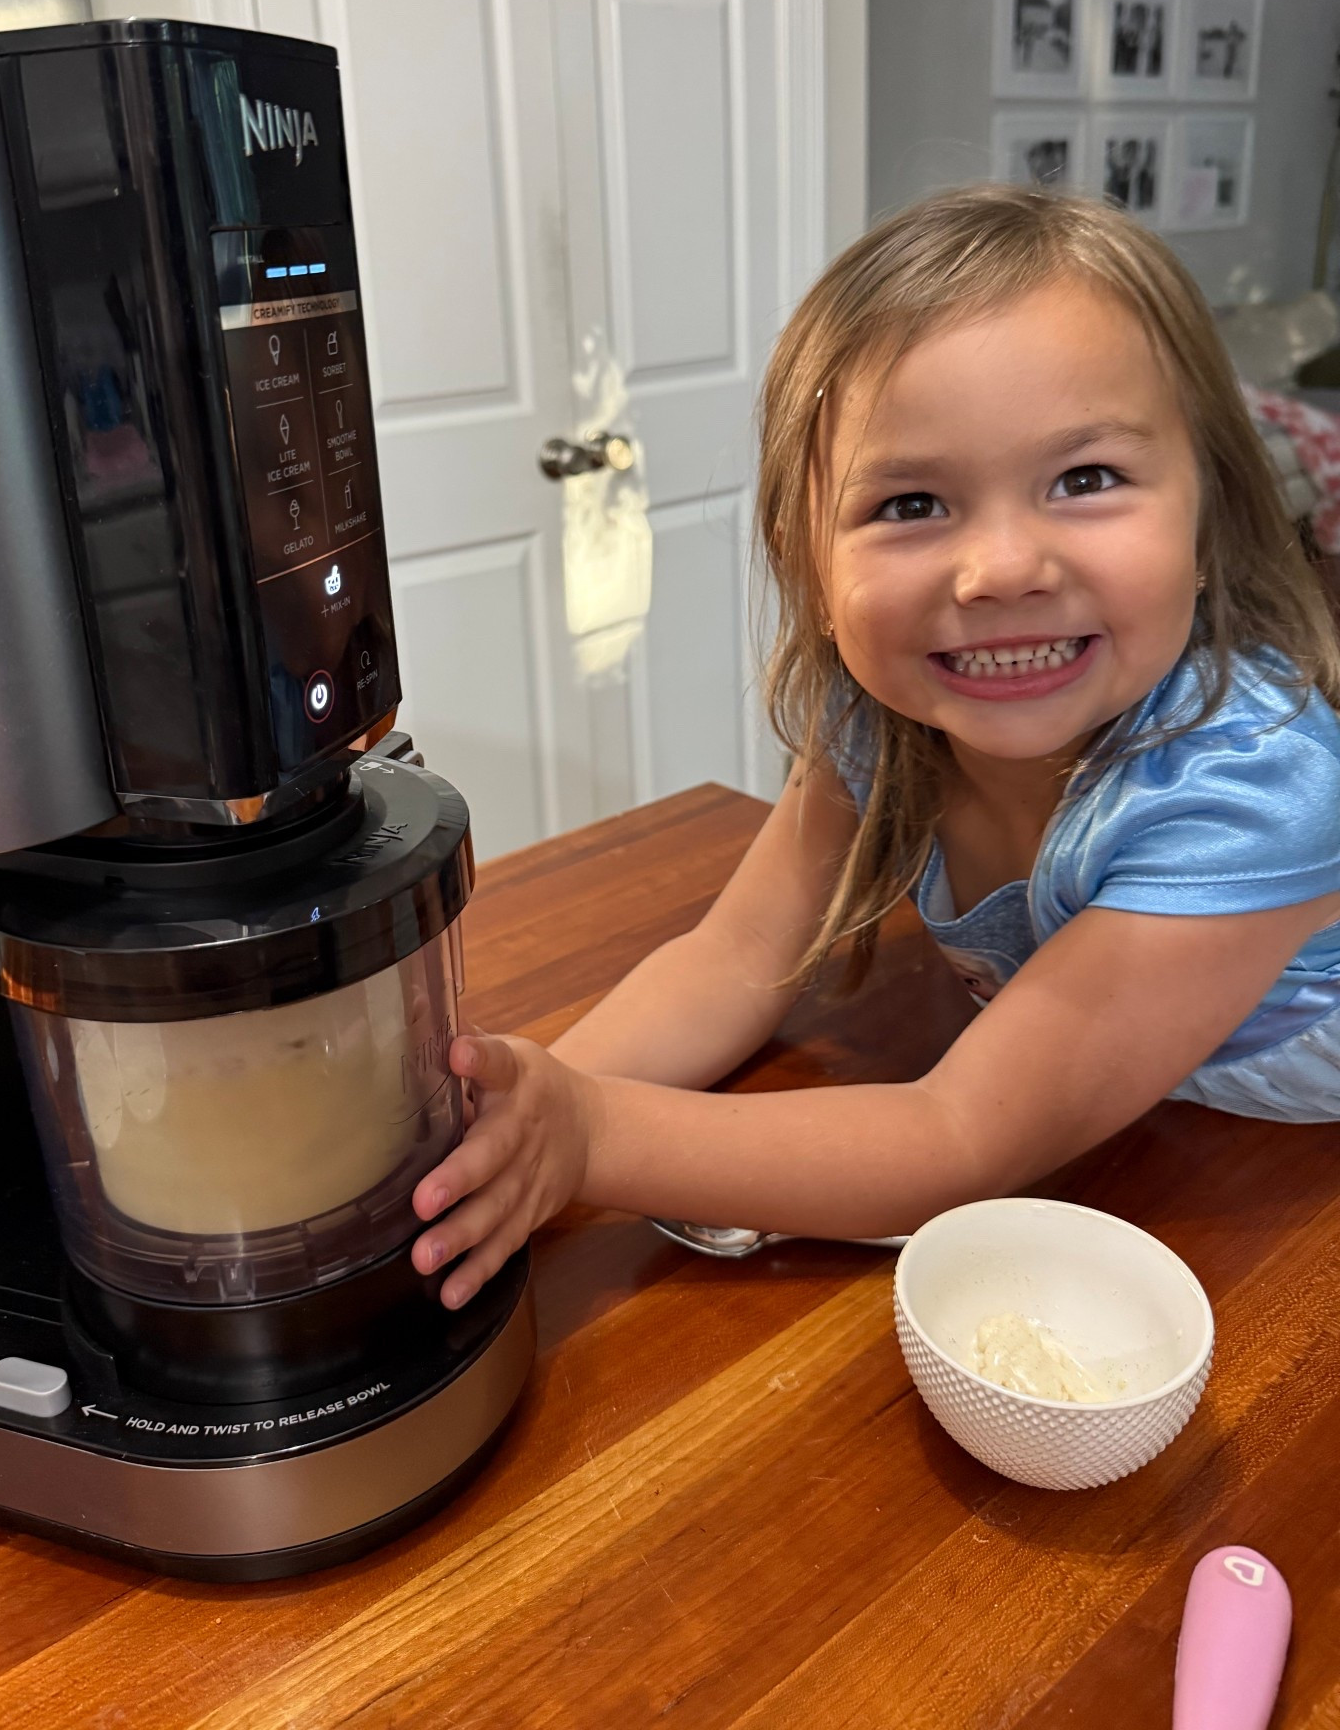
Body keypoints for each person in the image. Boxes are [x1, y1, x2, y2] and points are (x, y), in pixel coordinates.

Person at [410, 186, 1340, 1310]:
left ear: (1208, 522)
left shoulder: (1256, 787)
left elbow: (959, 1136)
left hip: (1280, 1162)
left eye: (1085, 479)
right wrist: (521, 1110)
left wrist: (591, 1134)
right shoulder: (878, 721)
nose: (1003, 568)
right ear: (808, 561)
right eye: (910, 503)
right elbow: (734, 958)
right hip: (1117, 1107)